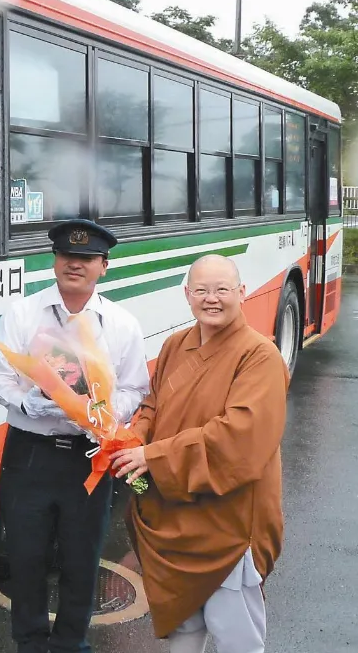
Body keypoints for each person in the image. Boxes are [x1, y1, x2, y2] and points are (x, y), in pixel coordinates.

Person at [0, 218, 150, 653]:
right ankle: (30, 642)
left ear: (103, 266)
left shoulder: (120, 324)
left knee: (81, 561)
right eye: (66, 256)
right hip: (30, 455)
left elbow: (136, 387)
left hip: (88, 456)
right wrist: (26, 404)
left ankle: (71, 644)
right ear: (55, 260)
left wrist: (105, 412)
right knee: (26, 556)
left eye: (86, 258)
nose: (74, 264)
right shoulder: (23, 313)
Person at [112, 254, 289, 653]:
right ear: (187, 295)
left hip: (228, 521)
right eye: (202, 290)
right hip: (175, 513)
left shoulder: (259, 356)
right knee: (184, 626)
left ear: (242, 293)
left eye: (222, 290)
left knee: (235, 637)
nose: (212, 299)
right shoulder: (177, 344)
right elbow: (152, 408)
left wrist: (153, 458)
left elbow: (238, 439)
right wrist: (131, 442)